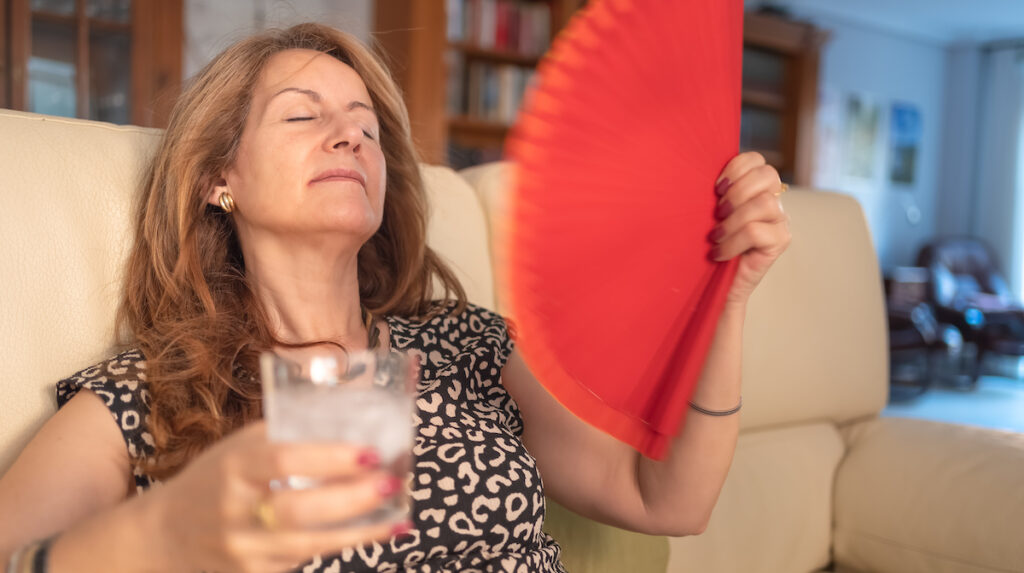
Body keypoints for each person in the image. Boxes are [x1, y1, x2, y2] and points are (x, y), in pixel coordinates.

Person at [0, 23, 791, 573]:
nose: (349, 135)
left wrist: (730, 295)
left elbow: (667, 498)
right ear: (219, 178)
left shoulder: (464, 345)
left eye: (366, 126)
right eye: (303, 116)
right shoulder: (150, 395)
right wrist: (159, 534)